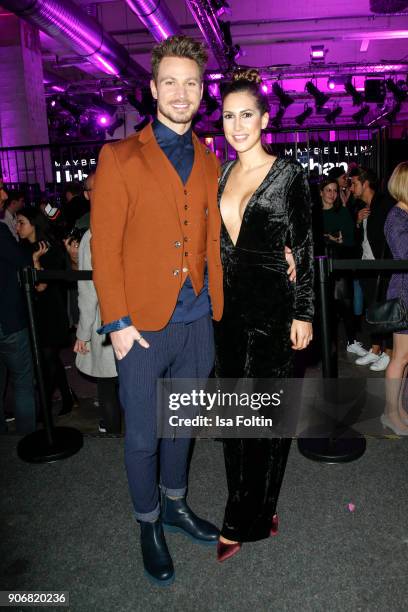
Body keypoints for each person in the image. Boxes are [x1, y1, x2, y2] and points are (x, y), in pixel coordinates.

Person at [91, 35, 225, 586]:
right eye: (170, 81)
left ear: (201, 92)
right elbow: (105, 245)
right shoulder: (119, 157)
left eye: (191, 82)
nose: (181, 92)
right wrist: (116, 323)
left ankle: (174, 504)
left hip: (197, 321)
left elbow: (215, 237)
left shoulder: (212, 159)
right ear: (152, 88)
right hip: (140, 327)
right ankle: (148, 522)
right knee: (144, 436)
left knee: (183, 427)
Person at [214, 70, 314, 561]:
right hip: (227, 316)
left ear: (265, 119)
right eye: (229, 115)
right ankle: (261, 503)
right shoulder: (220, 174)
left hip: (275, 313)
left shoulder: (290, 174)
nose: (237, 125)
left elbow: (307, 247)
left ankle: (241, 519)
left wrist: (304, 313)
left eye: (246, 114)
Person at [16, 207, 77, 418]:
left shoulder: (48, 248)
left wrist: (35, 261)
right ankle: (68, 397)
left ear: (34, 224)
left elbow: (41, 287)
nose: (17, 227)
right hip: (34, 312)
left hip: (51, 311)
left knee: (48, 357)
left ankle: (45, 407)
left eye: (21, 222)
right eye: (16, 222)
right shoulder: (22, 247)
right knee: (49, 359)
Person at [74, 172, 121, 435]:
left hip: (107, 319)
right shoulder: (128, 224)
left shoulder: (93, 235)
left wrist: (83, 333)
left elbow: (88, 290)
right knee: (131, 384)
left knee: (107, 386)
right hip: (135, 317)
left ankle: (112, 436)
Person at [350, 166, 394, 371]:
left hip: (383, 267)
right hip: (367, 265)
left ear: (365, 184)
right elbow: (358, 240)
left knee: (386, 310)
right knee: (372, 310)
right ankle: (376, 348)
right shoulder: (360, 207)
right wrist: (358, 223)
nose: (351, 187)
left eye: (355, 183)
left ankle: (390, 352)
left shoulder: (384, 204)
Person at [318, 177, 364, 356]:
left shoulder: (342, 212)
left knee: (346, 303)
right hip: (320, 266)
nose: (332, 194)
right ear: (321, 192)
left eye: (335, 190)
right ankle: (325, 343)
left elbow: (350, 240)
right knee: (324, 307)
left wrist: (330, 237)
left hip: (340, 263)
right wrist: (334, 237)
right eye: (328, 190)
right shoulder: (314, 213)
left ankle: (351, 341)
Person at [0, 222, 36, 434]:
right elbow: (23, 260)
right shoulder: (1, 232)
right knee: (23, 383)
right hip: (7, 322)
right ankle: (26, 439)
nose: (4, 194)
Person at [381, 162, 408, 435]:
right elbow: (405, 252)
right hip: (404, 293)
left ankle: (398, 409)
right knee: (400, 358)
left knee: (405, 358)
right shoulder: (397, 216)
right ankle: (391, 413)